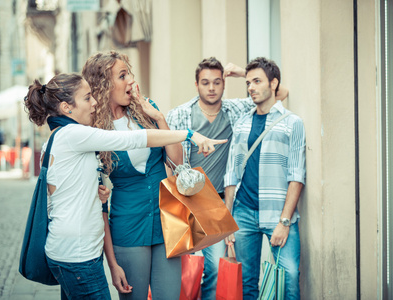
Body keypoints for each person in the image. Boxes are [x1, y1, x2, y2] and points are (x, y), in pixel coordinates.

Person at [24, 72, 225, 300]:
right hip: (78, 255)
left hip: (71, 251)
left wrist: (96, 193)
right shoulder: (74, 134)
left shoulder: (57, 137)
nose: (94, 103)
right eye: (87, 98)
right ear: (66, 107)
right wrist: (190, 134)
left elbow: (61, 191)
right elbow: (130, 140)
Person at [82, 50, 203, 300]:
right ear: (105, 84)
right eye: (122, 75)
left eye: (129, 74)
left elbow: (177, 161)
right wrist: (112, 264)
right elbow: (98, 204)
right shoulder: (95, 130)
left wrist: (159, 118)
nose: (130, 81)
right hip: (128, 226)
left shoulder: (146, 112)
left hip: (167, 220)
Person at [166, 57, 288, 300]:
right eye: (205, 83)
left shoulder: (237, 109)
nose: (211, 88)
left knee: (214, 267)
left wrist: (245, 73)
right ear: (196, 84)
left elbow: (281, 92)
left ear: (224, 84)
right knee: (187, 268)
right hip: (191, 199)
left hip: (221, 201)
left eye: (217, 82)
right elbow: (169, 161)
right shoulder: (179, 115)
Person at [224, 57, 306, 300]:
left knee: (289, 277)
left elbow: (296, 176)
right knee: (247, 282)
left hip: (278, 215)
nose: (250, 87)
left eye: (257, 81)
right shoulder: (241, 123)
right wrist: (228, 219)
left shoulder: (292, 123)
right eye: (248, 82)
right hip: (243, 214)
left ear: (274, 84)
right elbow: (232, 173)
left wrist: (284, 221)